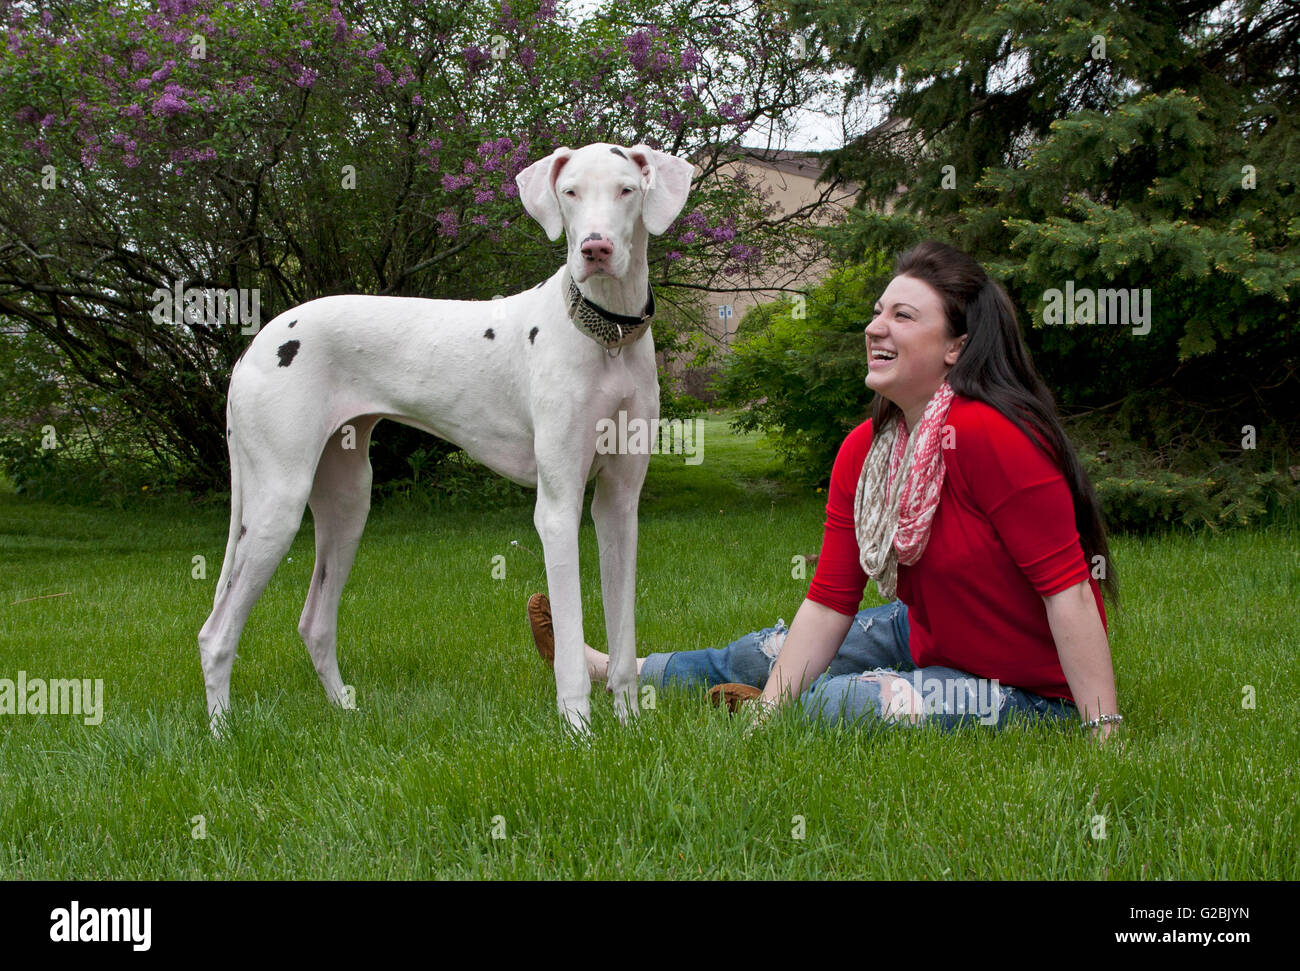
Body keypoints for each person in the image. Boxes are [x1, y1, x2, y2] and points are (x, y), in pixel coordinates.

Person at [527, 241, 1121, 741]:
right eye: (877, 311)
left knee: (842, 704)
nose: (875, 328)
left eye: (904, 317)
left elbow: (1069, 590)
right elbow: (834, 598)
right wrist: (770, 708)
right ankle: (617, 670)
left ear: (956, 348)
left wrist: (1105, 732)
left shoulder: (995, 436)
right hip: (923, 638)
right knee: (764, 656)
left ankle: (773, 698)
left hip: (1022, 689)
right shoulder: (866, 447)